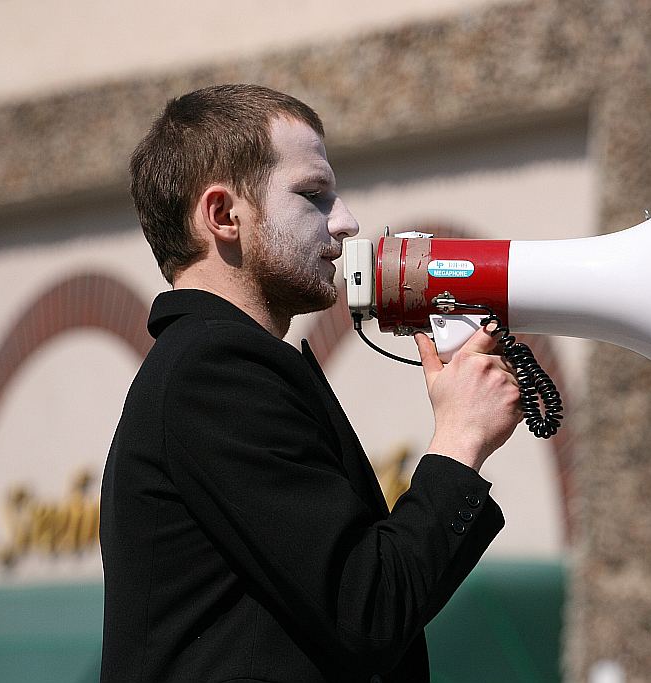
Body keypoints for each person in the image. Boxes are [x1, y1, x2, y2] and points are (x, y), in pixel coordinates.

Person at [99, 84, 523, 682]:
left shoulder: (210, 365)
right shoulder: (214, 371)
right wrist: (460, 442)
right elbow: (368, 610)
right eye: (313, 195)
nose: (346, 222)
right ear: (223, 216)